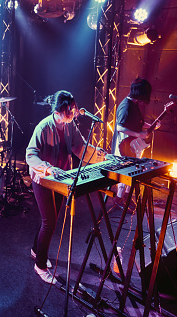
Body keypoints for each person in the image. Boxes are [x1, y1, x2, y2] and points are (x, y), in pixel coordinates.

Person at [26, 90, 106, 284]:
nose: (73, 113)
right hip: (43, 178)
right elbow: (30, 155)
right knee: (49, 222)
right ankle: (41, 266)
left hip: (62, 178)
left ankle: (36, 251)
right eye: (69, 110)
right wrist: (47, 168)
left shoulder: (70, 127)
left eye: (73, 109)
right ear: (59, 110)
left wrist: (100, 156)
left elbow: (80, 147)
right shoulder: (43, 127)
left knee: (50, 220)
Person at [112, 78, 159, 201]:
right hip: (124, 146)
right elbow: (120, 127)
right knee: (124, 173)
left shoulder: (134, 104)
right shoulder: (126, 107)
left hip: (132, 145)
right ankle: (119, 199)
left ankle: (126, 199)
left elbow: (136, 123)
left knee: (131, 172)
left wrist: (151, 126)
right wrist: (139, 135)